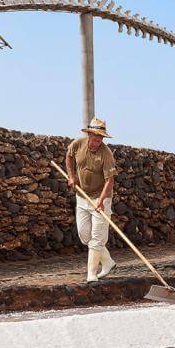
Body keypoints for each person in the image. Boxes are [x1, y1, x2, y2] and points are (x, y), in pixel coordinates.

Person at [65, 117, 118, 282]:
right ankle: (107, 261)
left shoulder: (106, 154)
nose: (97, 142)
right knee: (84, 235)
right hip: (82, 196)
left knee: (97, 237)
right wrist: (71, 176)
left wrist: (101, 200)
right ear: (89, 134)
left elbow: (110, 180)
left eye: (100, 138)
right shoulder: (78, 144)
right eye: (95, 138)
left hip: (101, 198)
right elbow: (69, 156)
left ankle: (92, 274)